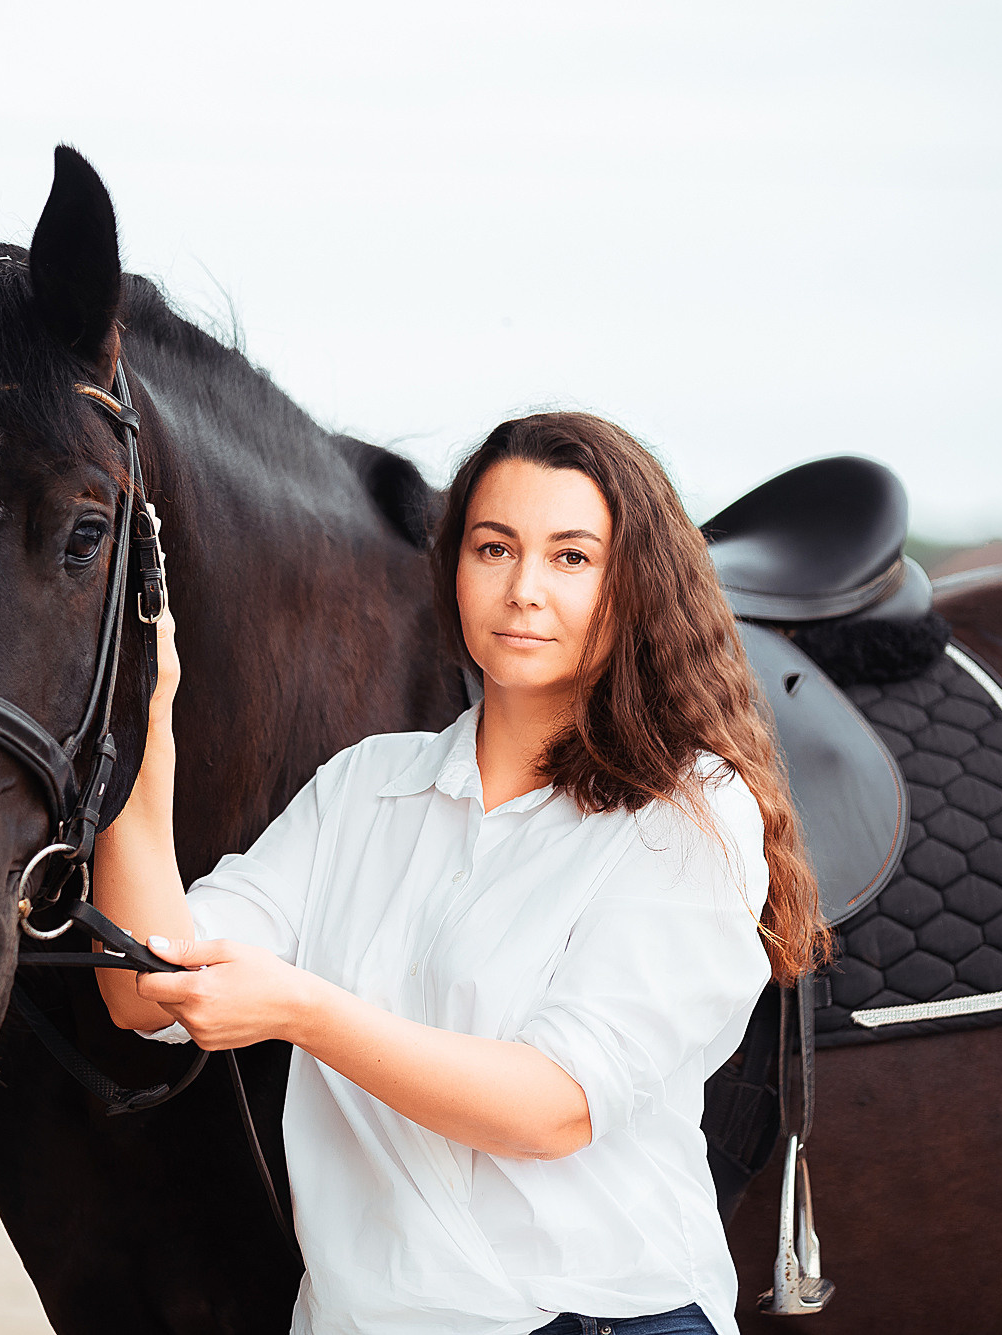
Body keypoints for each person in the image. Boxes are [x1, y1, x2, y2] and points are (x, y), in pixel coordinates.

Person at [92, 412, 827, 1335]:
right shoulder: (365, 786)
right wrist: (144, 734)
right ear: (454, 569)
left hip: (595, 1322)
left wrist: (302, 1010)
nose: (523, 590)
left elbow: (555, 1105)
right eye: (494, 547)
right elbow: (145, 987)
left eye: (571, 557)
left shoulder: (688, 813)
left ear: (633, 585)